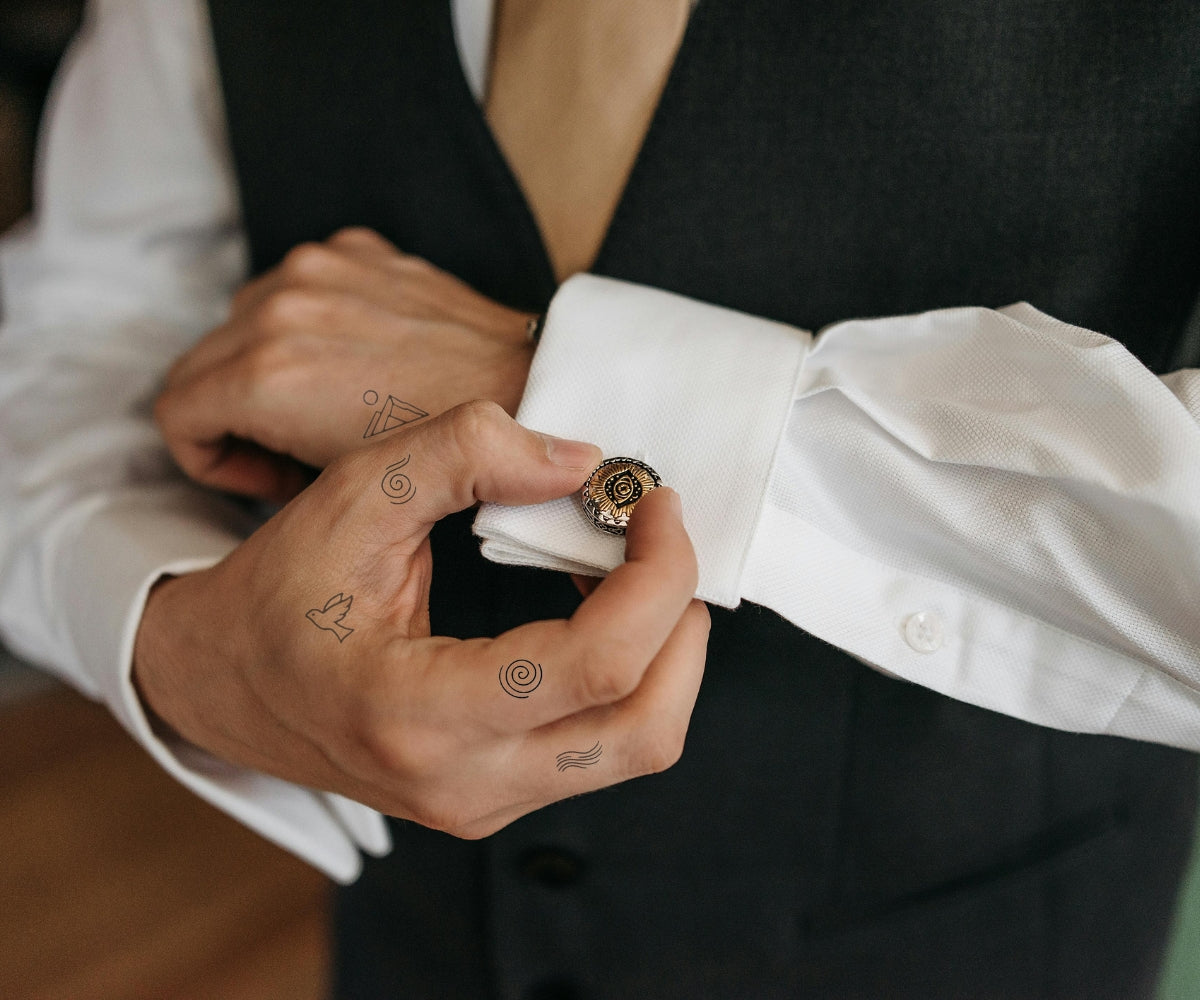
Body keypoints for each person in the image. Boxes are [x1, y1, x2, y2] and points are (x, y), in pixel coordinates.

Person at [2, 0, 1200, 996]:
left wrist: (559, 394)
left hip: (977, 925)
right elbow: (85, 324)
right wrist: (170, 634)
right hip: (411, 931)